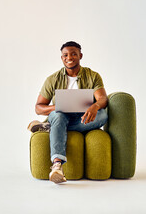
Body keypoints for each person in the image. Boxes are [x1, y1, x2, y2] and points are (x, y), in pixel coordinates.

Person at [34, 41, 108, 184]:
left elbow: (103, 99)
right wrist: (57, 107)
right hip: (60, 115)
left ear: (80, 55)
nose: (69, 57)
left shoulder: (93, 76)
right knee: (58, 116)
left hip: (83, 117)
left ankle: (51, 128)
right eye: (65, 55)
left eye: (74, 54)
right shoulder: (52, 79)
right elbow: (38, 108)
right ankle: (57, 165)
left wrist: (95, 106)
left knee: (103, 115)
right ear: (62, 58)